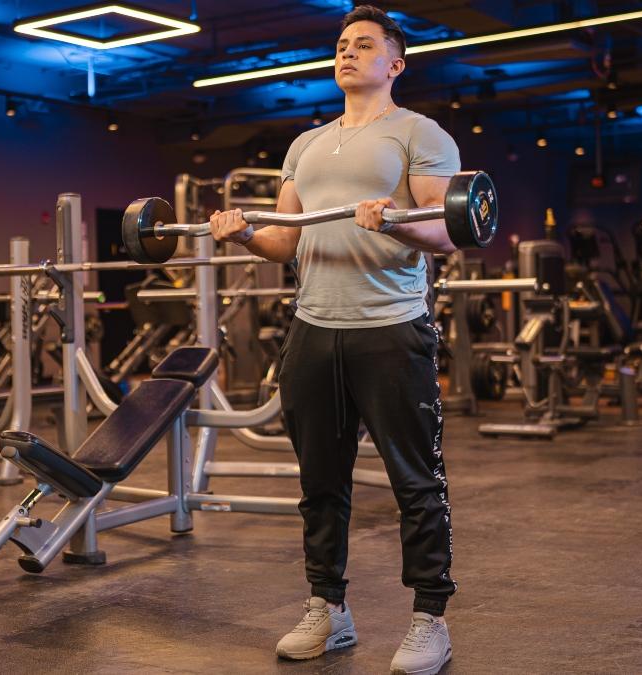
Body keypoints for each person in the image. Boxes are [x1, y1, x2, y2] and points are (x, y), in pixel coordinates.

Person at [209, 5, 461, 674]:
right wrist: (241, 234)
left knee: (415, 481)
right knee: (321, 482)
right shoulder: (305, 145)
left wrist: (397, 223)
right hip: (314, 330)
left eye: (364, 45)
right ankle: (329, 609)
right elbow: (284, 242)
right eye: (342, 45)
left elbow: (445, 233)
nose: (347, 53)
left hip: (392, 330)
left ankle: (429, 618)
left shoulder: (419, 134)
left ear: (394, 63)